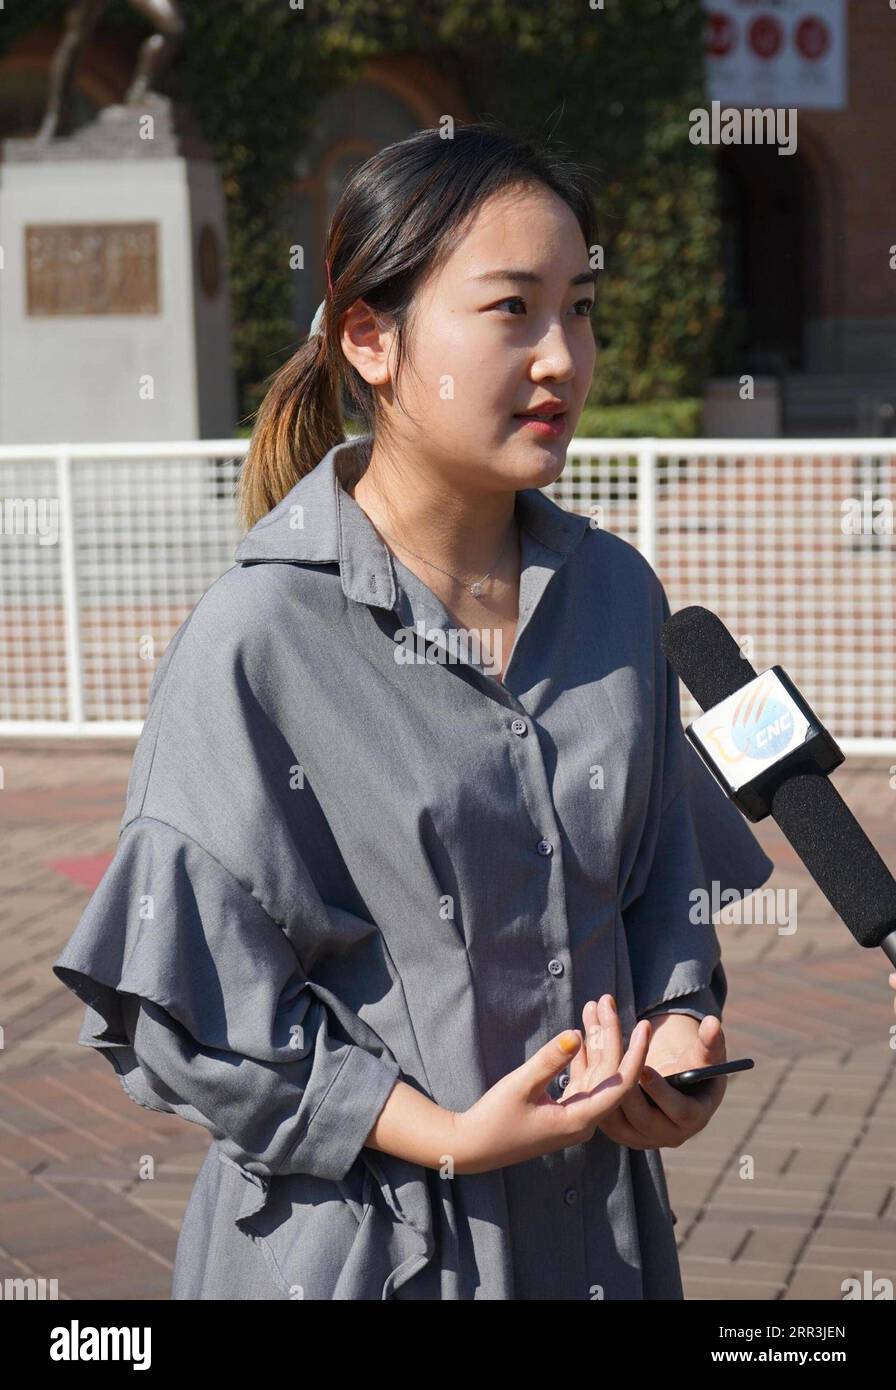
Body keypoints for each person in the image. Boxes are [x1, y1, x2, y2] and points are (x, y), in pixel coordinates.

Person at [52, 120, 775, 1301]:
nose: (561, 358)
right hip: (358, 1252)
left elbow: (658, 884)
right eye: (511, 310)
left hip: (593, 1239)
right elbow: (193, 1015)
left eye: (578, 307)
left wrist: (679, 1034)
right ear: (371, 340)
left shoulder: (615, 597)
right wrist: (441, 1134)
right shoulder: (261, 636)